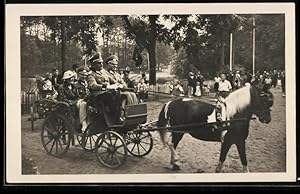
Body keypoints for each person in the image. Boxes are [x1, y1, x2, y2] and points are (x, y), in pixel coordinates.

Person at [105, 55, 139, 123]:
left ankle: (133, 114)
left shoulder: (117, 75)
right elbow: (106, 84)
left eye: (116, 64)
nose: (115, 66)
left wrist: (121, 86)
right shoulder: (105, 73)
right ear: (108, 64)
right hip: (111, 95)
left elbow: (124, 84)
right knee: (126, 95)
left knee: (132, 94)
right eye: (113, 64)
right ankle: (122, 115)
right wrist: (115, 85)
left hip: (119, 93)